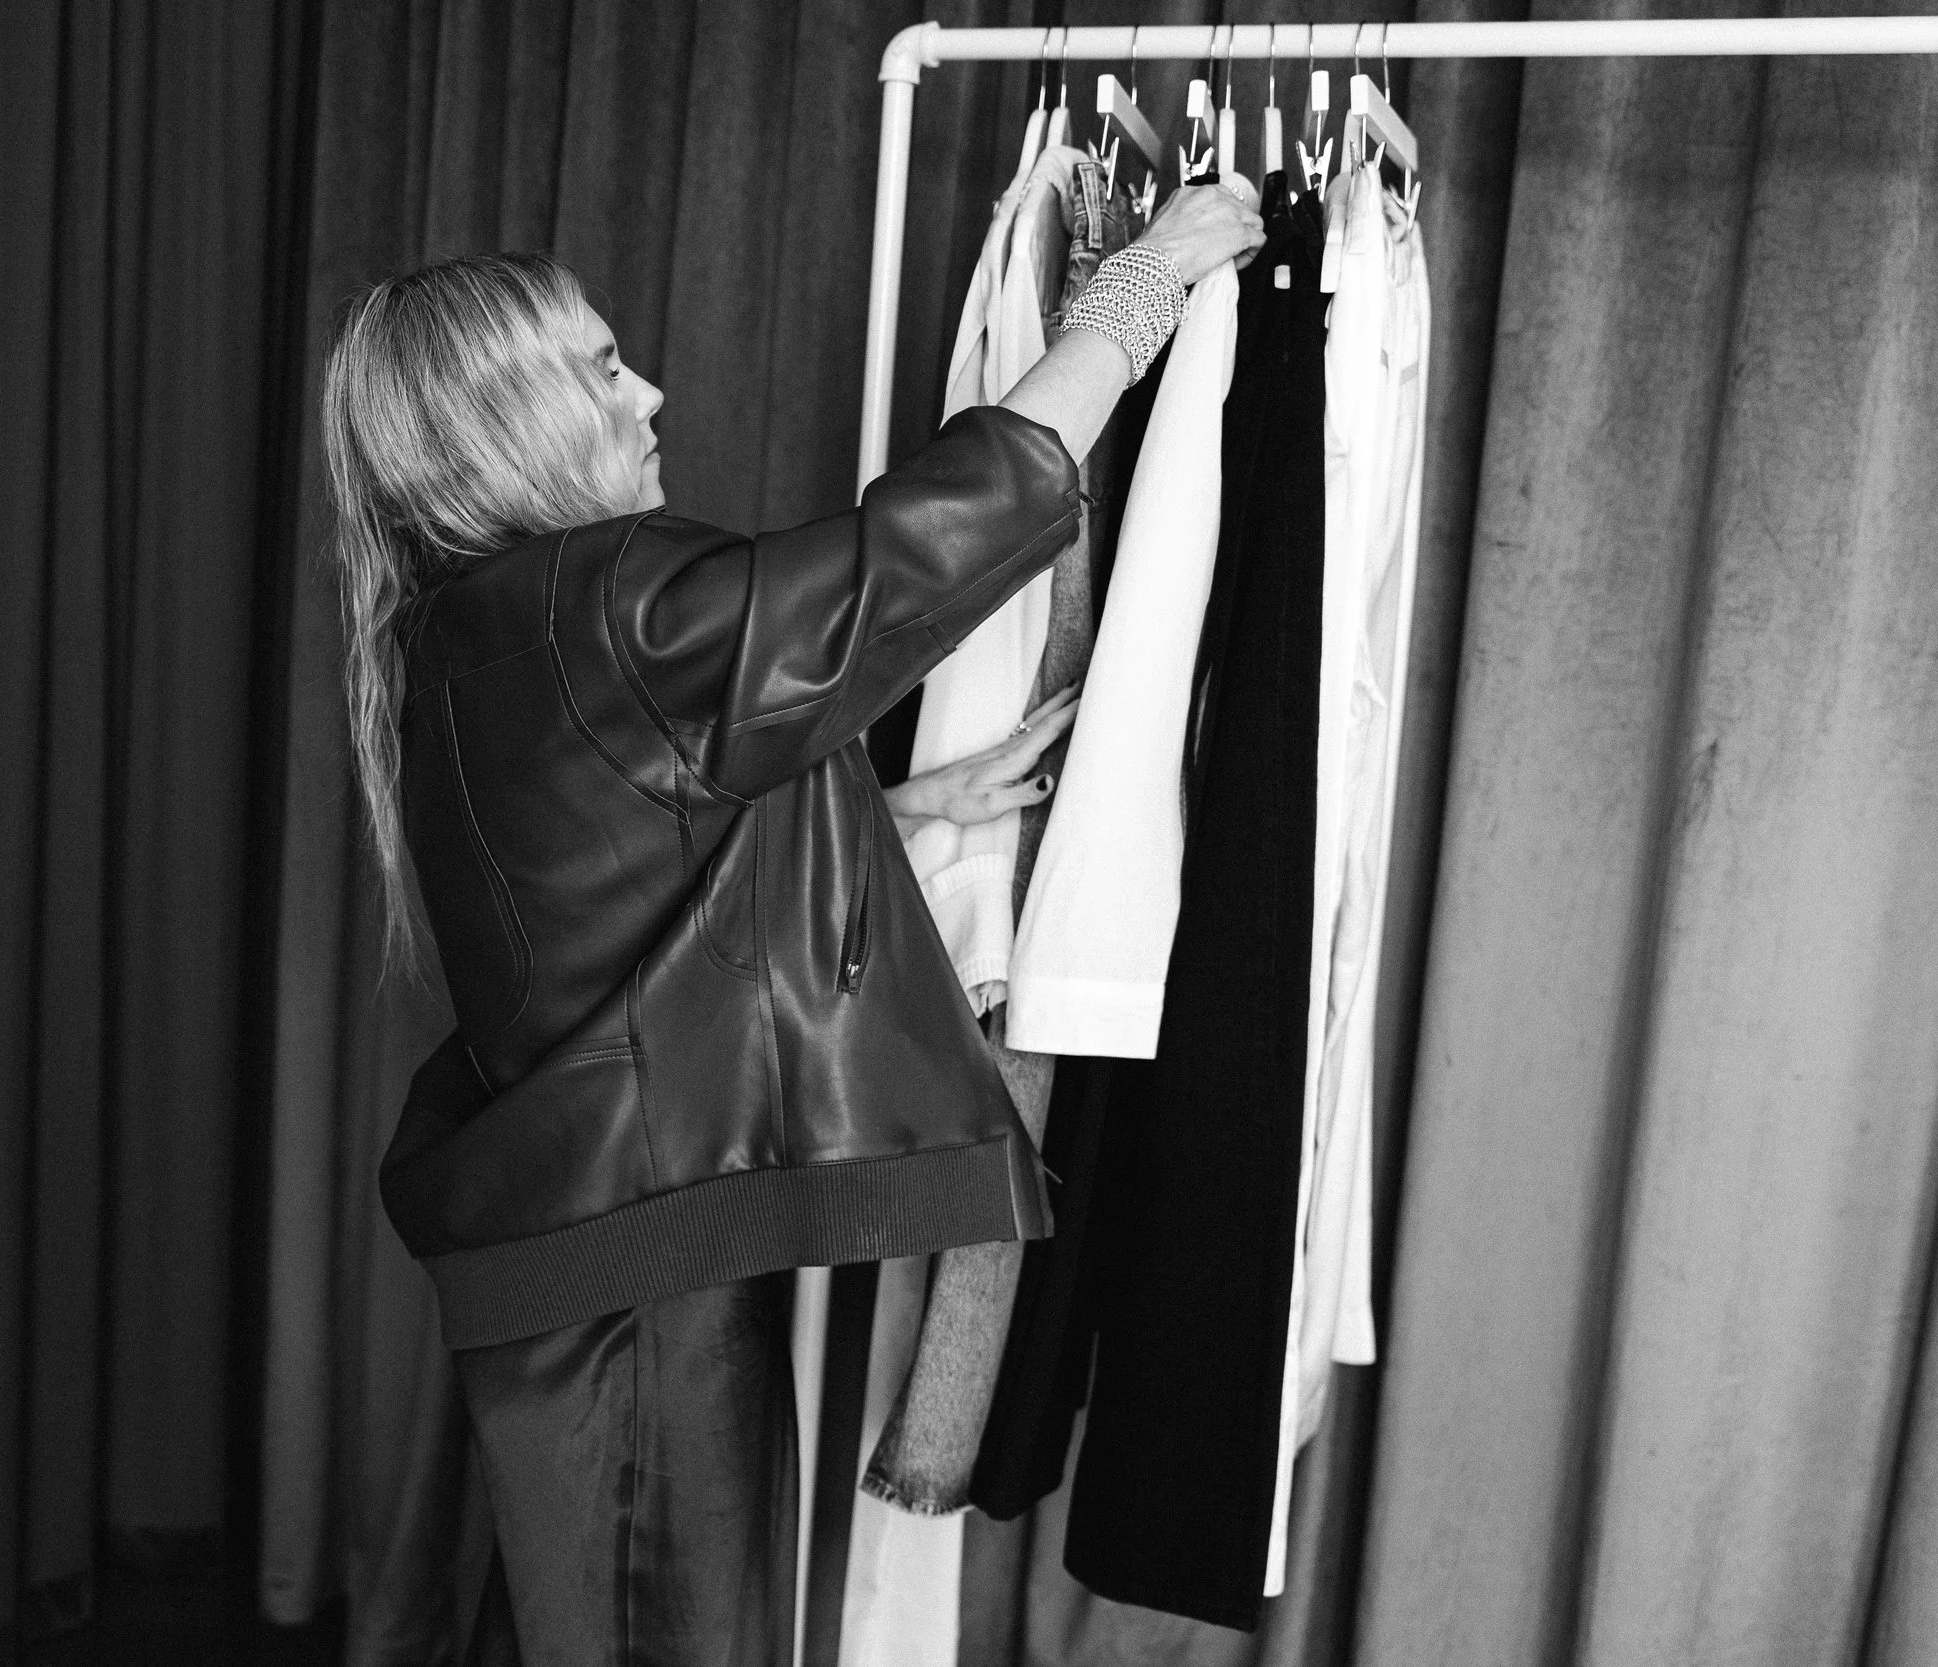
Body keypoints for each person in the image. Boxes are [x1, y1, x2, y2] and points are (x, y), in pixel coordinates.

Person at [321, 179, 1262, 1665]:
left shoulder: (456, 628)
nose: (650, 391)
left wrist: (899, 811)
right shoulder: (608, 596)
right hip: (639, 1257)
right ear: (506, 417)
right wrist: (1130, 303)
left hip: (583, 1237)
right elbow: (909, 556)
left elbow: (615, 876)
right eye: (598, 368)